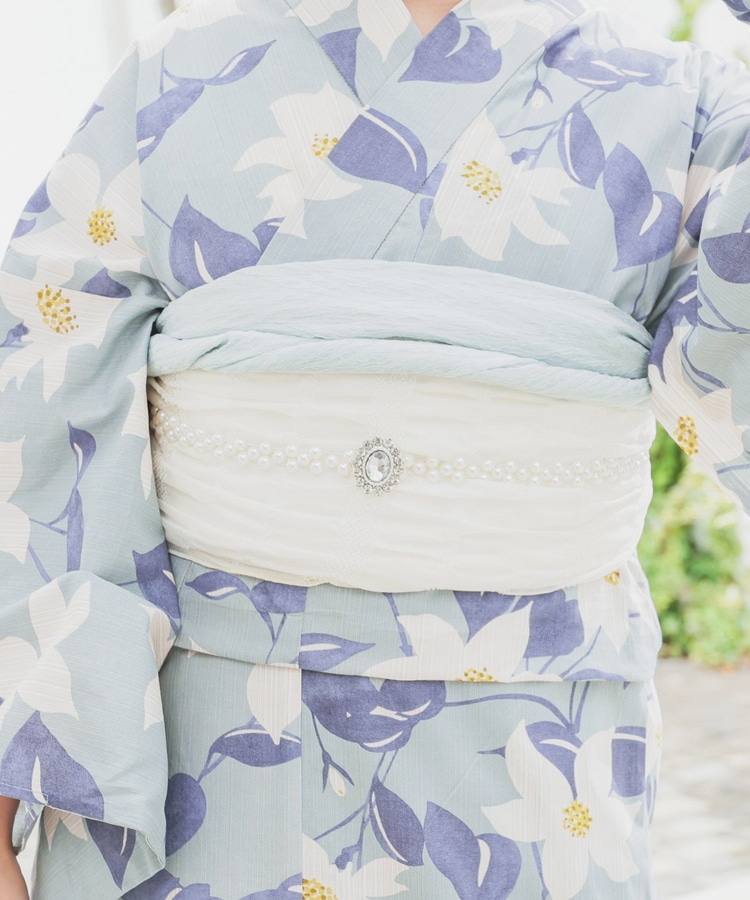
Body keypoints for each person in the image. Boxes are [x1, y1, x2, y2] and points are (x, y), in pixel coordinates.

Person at [2, 0, 750, 896]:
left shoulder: (682, 102)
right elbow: (42, 419)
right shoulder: (179, 69)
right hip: (199, 725)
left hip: (539, 741)